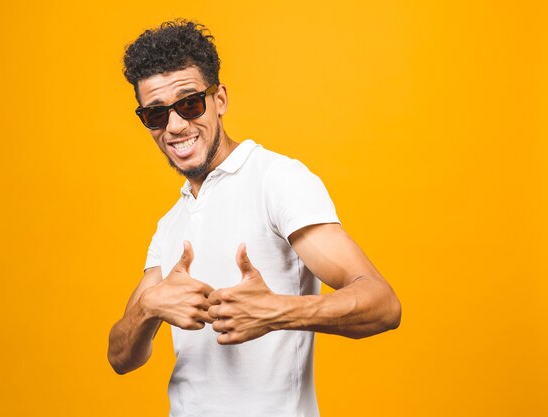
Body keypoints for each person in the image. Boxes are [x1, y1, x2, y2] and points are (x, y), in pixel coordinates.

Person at [107, 19, 401, 417]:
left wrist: (277, 311)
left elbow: (382, 304)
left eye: (189, 103)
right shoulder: (171, 223)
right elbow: (121, 357)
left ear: (220, 99)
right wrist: (148, 309)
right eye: (156, 115)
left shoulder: (276, 180)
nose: (175, 126)